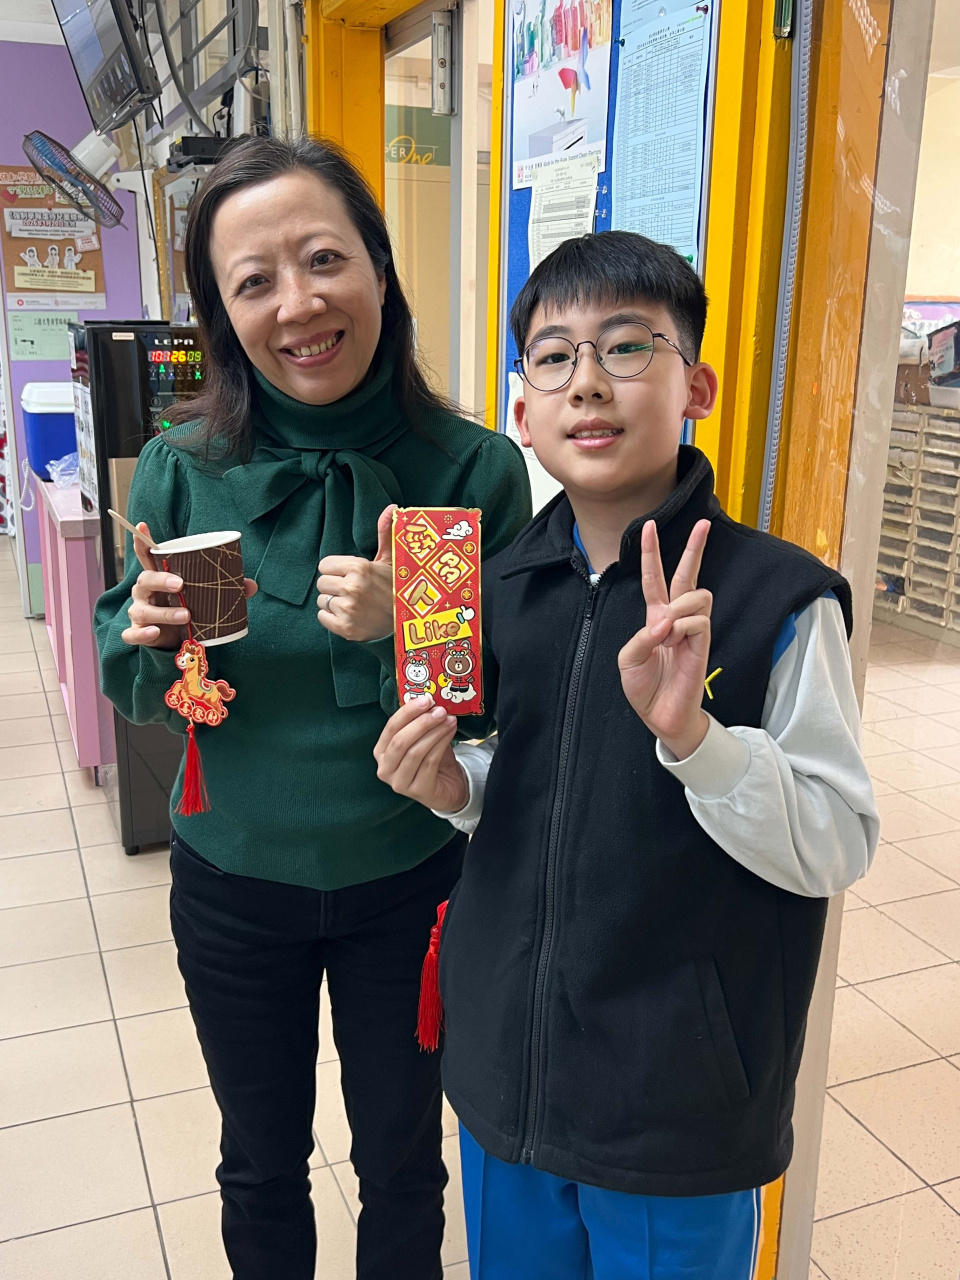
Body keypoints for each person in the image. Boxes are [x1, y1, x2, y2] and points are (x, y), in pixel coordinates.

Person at [374, 231, 879, 1280]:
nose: (589, 382)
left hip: (676, 1102)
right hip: (507, 1074)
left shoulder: (779, 599)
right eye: (554, 356)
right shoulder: (498, 585)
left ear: (696, 387)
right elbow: (527, 790)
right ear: (524, 413)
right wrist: (452, 785)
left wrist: (696, 739)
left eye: (628, 346)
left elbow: (837, 839)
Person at [94, 135, 531, 1280]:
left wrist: (406, 629)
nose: (298, 304)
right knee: (259, 1163)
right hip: (234, 883)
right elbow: (154, 686)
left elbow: (491, 714)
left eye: (325, 258)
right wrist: (147, 638)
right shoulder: (184, 466)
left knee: (403, 1161)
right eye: (254, 281)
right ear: (222, 313)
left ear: (380, 267)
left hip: (410, 879)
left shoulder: (469, 468)